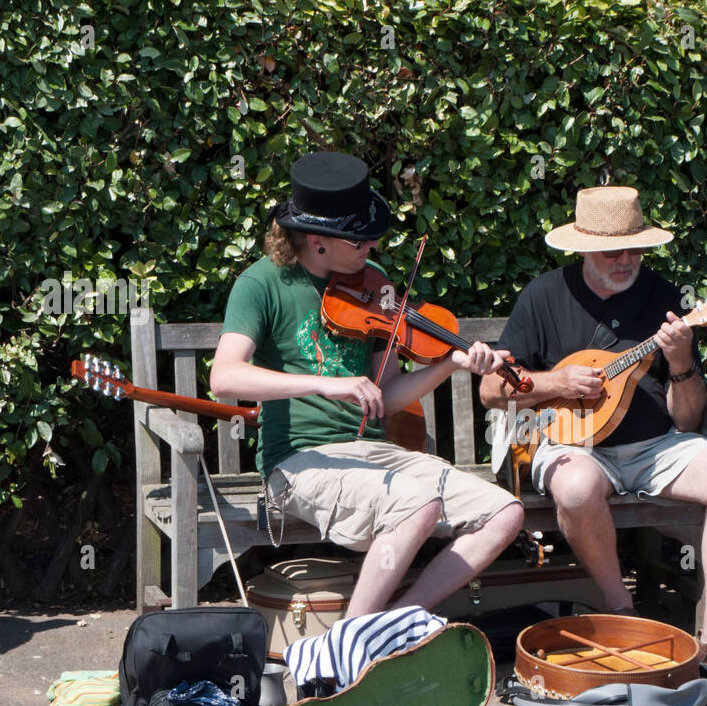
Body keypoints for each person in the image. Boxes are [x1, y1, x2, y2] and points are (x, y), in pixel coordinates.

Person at [480, 186, 707, 686]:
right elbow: (491, 389)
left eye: (635, 247)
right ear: (583, 249)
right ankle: (623, 614)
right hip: (572, 444)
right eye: (614, 250)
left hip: (654, 447)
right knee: (575, 488)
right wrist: (557, 382)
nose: (627, 259)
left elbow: (686, 419)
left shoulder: (663, 296)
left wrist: (680, 361)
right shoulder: (545, 296)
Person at [211, 151, 524, 617]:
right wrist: (323, 384)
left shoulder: (373, 286)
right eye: (358, 241)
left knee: (506, 514)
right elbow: (224, 377)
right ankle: (353, 640)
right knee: (416, 505)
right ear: (318, 241)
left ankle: (396, 619)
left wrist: (450, 364)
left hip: (374, 452)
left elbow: (390, 395)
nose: (370, 250)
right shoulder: (261, 284)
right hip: (298, 461)